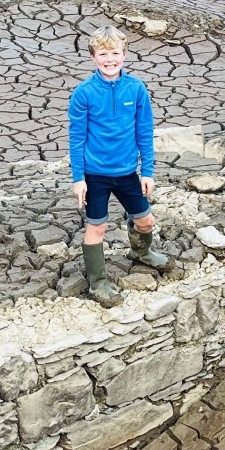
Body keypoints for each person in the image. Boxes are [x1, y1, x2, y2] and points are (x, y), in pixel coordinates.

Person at [68, 28, 170, 307]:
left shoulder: (136, 88)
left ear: (124, 55)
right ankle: (98, 283)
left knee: (146, 221)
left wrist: (147, 171)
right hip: (95, 175)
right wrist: (79, 179)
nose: (109, 59)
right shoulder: (83, 93)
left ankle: (141, 252)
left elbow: (144, 131)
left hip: (127, 173)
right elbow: (76, 138)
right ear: (93, 57)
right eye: (103, 54)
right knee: (97, 228)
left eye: (115, 54)